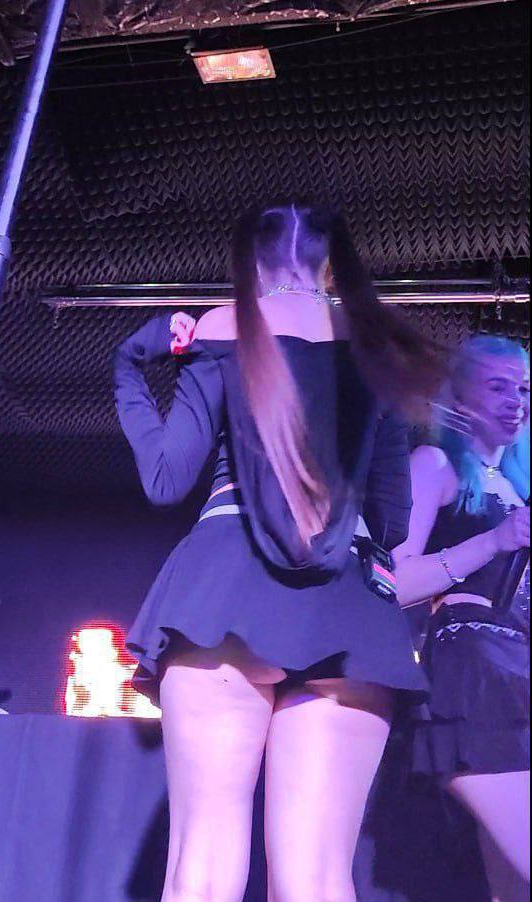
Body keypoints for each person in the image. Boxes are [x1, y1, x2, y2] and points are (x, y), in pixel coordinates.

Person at [114, 206, 445, 902]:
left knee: (201, 873)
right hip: (348, 607)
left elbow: (165, 479)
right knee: (318, 881)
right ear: (331, 265)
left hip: (222, 594)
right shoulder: (375, 345)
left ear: (248, 263)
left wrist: (132, 362)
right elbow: (390, 518)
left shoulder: (220, 328)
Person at [394, 335, 530, 900]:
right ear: (459, 395)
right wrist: (492, 542)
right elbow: (395, 582)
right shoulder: (435, 465)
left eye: (524, 389)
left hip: (518, 672)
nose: (515, 400)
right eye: (498, 386)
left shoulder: (518, 488)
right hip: (474, 675)